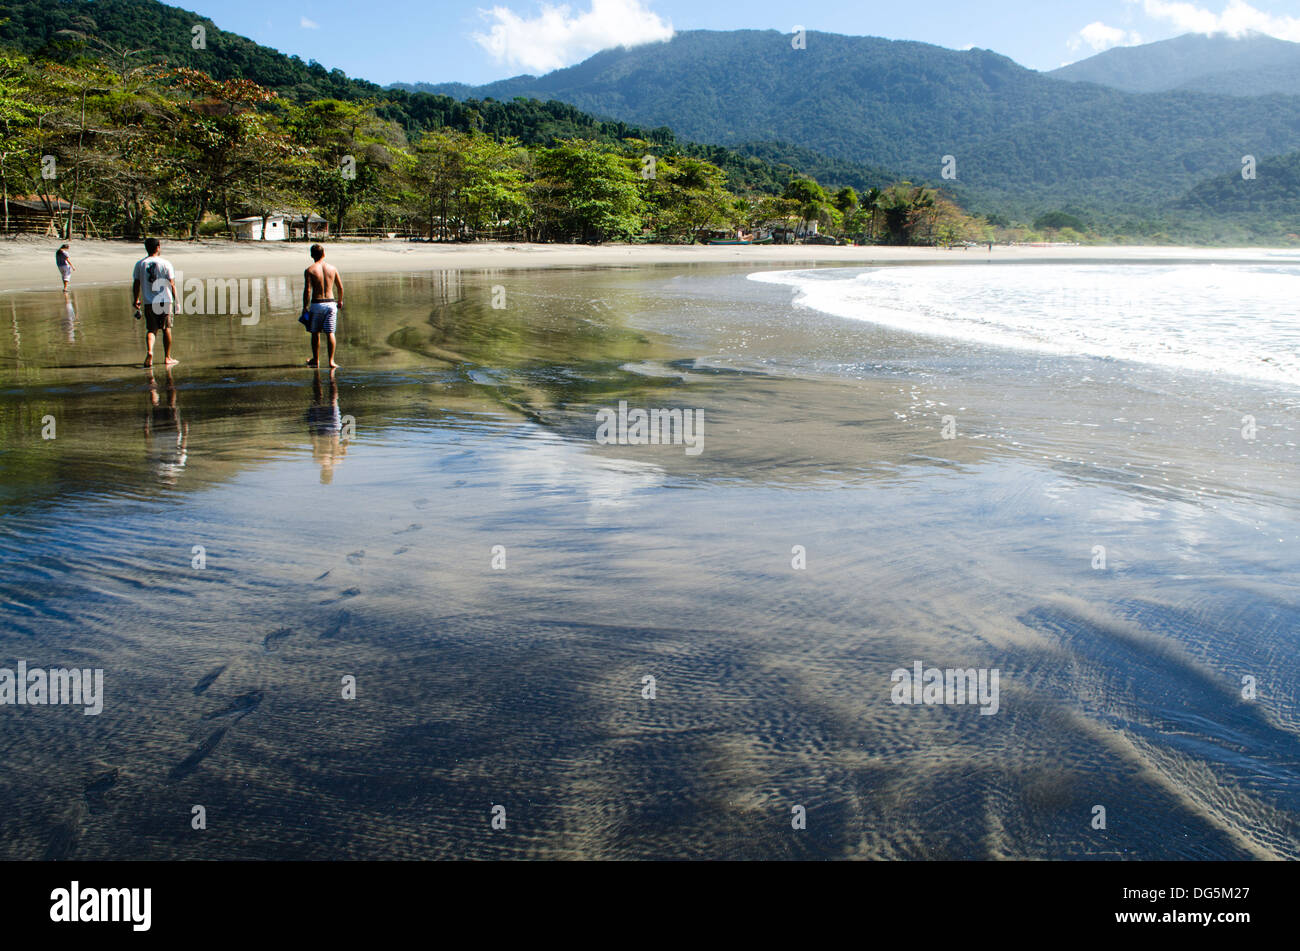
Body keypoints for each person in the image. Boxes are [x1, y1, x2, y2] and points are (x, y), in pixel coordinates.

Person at [132, 237, 178, 368]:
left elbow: (136, 283)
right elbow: (172, 284)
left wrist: (136, 299)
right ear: (158, 247)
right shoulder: (166, 263)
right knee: (166, 329)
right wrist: (177, 301)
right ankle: (167, 357)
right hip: (165, 300)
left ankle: (150, 351)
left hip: (149, 301)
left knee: (151, 329)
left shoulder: (140, 264)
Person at [301, 244, 344, 369]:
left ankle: (316, 360)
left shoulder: (310, 270)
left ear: (311, 255)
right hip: (331, 304)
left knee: (315, 333)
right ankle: (331, 361)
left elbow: (308, 290)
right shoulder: (332, 268)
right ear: (324, 254)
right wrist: (340, 301)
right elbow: (340, 287)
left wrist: (305, 306)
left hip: (317, 304)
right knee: (330, 332)